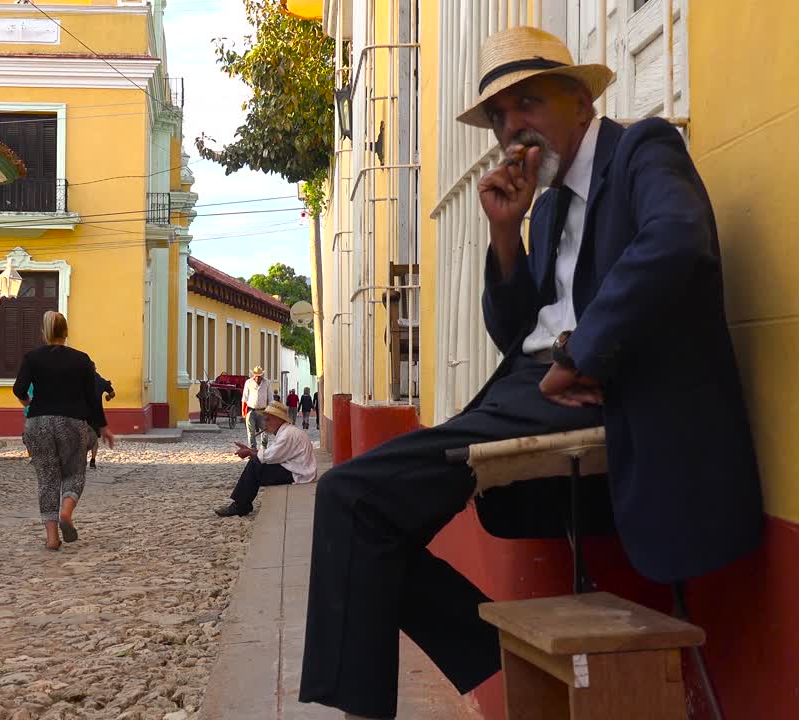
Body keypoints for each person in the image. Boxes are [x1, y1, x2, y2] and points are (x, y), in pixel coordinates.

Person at [299, 27, 763, 720]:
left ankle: (445, 673)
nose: (511, 127)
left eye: (529, 103)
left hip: (599, 391)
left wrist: (580, 355)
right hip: (530, 392)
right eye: (498, 116)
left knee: (350, 498)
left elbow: (677, 241)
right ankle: (498, 648)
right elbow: (515, 331)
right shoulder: (543, 209)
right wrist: (504, 233)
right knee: (354, 504)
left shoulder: (642, 150)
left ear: (580, 101)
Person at [13, 311, 116, 552]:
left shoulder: (32, 358)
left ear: (44, 332)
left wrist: (27, 401)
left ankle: (51, 538)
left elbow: (18, 388)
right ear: (66, 332)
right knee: (74, 473)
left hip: (38, 423)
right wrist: (103, 426)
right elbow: (92, 398)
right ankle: (66, 512)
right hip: (71, 422)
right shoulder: (82, 360)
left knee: (47, 480)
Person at [214, 402, 316, 517]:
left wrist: (249, 452)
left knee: (255, 465)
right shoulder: (286, 431)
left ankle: (240, 506)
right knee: (256, 465)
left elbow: (269, 457)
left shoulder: (287, 434)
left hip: (298, 474)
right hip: (295, 469)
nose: (265, 423)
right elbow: (270, 455)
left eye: (268, 420)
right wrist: (250, 451)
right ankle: (241, 504)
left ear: (278, 419)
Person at [87, 368, 115, 470]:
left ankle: (81, 459)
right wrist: (108, 397)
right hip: (97, 414)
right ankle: (93, 460)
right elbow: (112, 394)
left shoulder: (82, 380)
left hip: (82, 413)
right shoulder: (101, 381)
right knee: (94, 438)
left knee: (82, 437)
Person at [241, 366, 271, 448]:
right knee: (251, 432)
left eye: (259, 375)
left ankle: (264, 447)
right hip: (251, 410)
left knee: (265, 430)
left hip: (263, 410)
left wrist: (270, 412)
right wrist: (244, 412)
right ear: (253, 375)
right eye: (256, 375)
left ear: (262, 375)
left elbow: (270, 398)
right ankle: (252, 447)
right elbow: (245, 398)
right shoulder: (248, 382)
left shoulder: (266, 383)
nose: (257, 377)